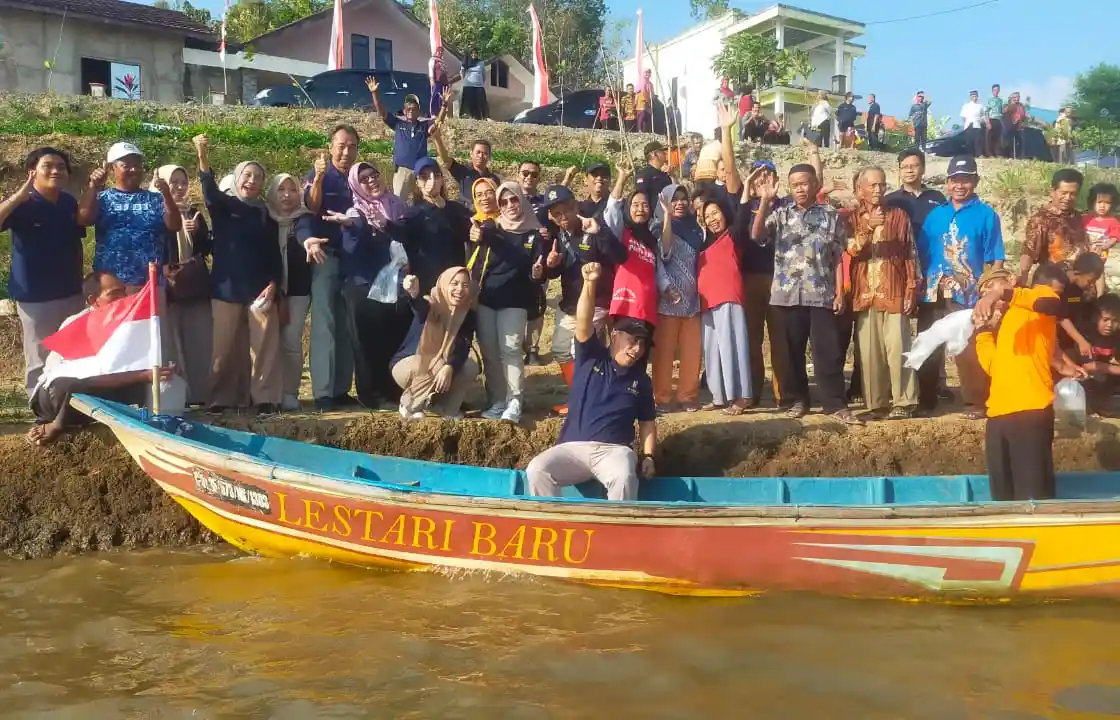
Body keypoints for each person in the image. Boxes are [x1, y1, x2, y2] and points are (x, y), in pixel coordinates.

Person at [525, 262, 656, 502]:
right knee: (537, 469)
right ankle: (554, 528)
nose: (636, 349)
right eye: (632, 340)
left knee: (624, 476)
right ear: (615, 336)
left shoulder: (642, 380)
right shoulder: (591, 356)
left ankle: (618, 533)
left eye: (642, 344)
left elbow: (647, 423)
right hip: (572, 447)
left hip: (615, 451)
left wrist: (649, 456)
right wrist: (589, 283)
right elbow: (583, 322)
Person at [752, 163, 861, 425]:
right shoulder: (780, 213)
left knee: (828, 352)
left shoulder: (830, 215)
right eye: (795, 184)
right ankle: (796, 400)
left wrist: (838, 292)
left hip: (821, 294)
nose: (800, 188)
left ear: (815, 184)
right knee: (790, 353)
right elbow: (757, 235)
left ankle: (834, 404)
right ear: (790, 187)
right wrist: (765, 202)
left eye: (805, 183)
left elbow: (837, 256)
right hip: (785, 296)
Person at [972, 262, 1087, 501]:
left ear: (1012, 281)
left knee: (1033, 496)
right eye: (984, 291)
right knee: (1003, 496)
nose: (989, 295)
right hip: (997, 416)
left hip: (1030, 410)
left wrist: (998, 293)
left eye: (993, 286)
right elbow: (994, 366)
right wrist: (982, 332)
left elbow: (1049, 302)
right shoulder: (1009, 322)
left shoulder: (1037, 300)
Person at [26, 270, 175, 446]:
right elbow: (85, 378)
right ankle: (57, 425)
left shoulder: (130, 323)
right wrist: (141, 376)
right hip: (58, 395)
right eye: (114, 294)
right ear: (92, 300)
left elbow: (140, 365)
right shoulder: (77, 324)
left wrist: (158, 371)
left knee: (164, 385)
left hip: (105, 389)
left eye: (123, 291)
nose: (122, 298)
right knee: (76, 386)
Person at [193, 135, 283, 416]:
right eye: (247, 175)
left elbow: (273, 253)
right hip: (226, 287)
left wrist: (274, 283)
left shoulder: (265, 215)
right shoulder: (224, 207)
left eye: (258, 177)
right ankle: (221, 399)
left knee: (263, 347)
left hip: (259, 289)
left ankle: (264, 398)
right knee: (224, 348)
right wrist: (202, 153)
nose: (252, 181)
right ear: (236, 178)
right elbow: (208, 190)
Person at [915, 154, 1005, 418]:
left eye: (965, 181)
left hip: (968, 294)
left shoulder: (987, 215)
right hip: (932, 290)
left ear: (975, 182)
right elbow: (920, 251)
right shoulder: (936, 214)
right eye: (955, 180)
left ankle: (976, 402)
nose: (959, 186)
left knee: (967, 349)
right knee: (930, 343)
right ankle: (927, 399)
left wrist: (992, 292)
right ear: (947, 182)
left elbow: (996, 257)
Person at [322, 162, 412, 411]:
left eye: (374, 175)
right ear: (355, 185)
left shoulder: (397, 206)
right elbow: (352, 247)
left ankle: (393, 390)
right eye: (363, 179)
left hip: (395, 284)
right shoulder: (353, 212)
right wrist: (355, 225)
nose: (371, 181)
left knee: (392, 338)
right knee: (367, 343)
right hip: (362, 287)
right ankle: (370, 393)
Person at [0, 148, 85, 396]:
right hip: (35, 295)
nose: (55, 171)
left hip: (70, 291)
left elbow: (78, 242)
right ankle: (39, 409)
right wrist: (18, 195)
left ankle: (67, 405)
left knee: (72, 351)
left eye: (61, 166)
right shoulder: (22, 202)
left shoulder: (68, 202)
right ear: (32, 171)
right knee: (39, 356)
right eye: (48, 165)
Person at [542, 185, 626, 415]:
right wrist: (552, 265)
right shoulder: (558, 234)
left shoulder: (594, 226)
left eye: (565, 211)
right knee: (560, 350)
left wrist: (600, 231)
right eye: (556, 214)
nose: (562, 218)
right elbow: (556, 273)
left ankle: (585, 401)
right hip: (570, 303)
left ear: (574, 206)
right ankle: (582, 396)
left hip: (597, 303)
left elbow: (621, 256)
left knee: (578, 349)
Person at [468, 180, 546, 423]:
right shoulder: (492, 226)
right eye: (504, 201)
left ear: (521, 200)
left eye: (514, 199)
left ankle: (515, 401)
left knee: (510, 349)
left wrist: (537, 271)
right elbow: (480, 238)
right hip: (487, 299)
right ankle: (497, 399)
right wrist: (477, 233)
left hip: (516, 300)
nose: (510, 204)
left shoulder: (535, 233)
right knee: (490, 351)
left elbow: (539, 273)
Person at [846, 166, 920, 419]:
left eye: (882, 185)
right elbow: (851, 251)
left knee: (899, 347)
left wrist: (912, 287)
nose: (878, 190)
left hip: (895, 290)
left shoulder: (898, 216)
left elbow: (910, 253)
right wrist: (867, 228)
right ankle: (875, 405)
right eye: (872, 185)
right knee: (869, 353)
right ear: (860, 189)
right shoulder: (851, 218)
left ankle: (905, 402)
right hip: (865, 293)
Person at [303, 124, 359, 411]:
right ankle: (323, 392)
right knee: (325, 323)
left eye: (351, 146)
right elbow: (311, 207)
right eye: (341, 145)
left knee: (347, 324)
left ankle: (340, 389)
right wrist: (321, 176)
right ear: (330, 147)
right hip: (326, 255)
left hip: (354, 260)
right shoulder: (318, 175)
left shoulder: (359, 177)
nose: (346, 151)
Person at [155, 164, 213, 408]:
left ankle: (201, 392)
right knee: (172, 339)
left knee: (198, 338)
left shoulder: (194, 212)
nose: (179, 187)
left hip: (193, 284)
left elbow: (206, 249)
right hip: (168, 284)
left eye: (183, 182)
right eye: (173, 182)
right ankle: (180, 395)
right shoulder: (156, 211)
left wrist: (198, 231)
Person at [393, 267, 480, 420]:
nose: (460, 289)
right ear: (445, 284)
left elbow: (463, 346)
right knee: (437, 363)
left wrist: (450, 366)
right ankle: (410, 405)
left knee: (469, 367)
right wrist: (413, 294)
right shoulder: (431, 304)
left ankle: (447, 409)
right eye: (454, 284)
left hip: (439, 365)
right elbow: (419, 307)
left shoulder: (467, 314)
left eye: (465, 285)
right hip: (408, 365)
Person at [739, 160, 789, 409]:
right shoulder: (745, 204)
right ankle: (753, 391)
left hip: (779, 277)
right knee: (751, 339)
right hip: (750, 277)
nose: (763, 178)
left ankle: (783, 395)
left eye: (768, 174)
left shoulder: (786, 205)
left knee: (780, 339)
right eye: (759, 174)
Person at [698, 193, 752, 415]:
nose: (712, 219)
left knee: (733, 347)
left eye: (715, 213)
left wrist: (746, 188)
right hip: (706, 302)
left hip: (728, 297)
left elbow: (743, 216)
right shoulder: (703, 243)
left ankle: (741, 396)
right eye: (707, 216)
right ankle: (719, 396)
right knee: (712, 351)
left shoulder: (732, 235)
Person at [651, 184, 702, 413]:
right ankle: (662, 397)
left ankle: (687, 396)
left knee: (692, 352)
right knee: (665, 353)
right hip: (668, 300)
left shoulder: (695, 229)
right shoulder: (657, 227)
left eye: (684, 199)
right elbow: (665, 252)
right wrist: (666, 217)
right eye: (675, 199)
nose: (680, 203)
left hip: (693, 302)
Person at [392, 157, 472, 296]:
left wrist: (445, 208)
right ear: (417, 182)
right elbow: (399, 233)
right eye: (424, 177)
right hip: (426, 286)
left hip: (454, 285)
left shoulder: (455, 208)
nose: (432, 181)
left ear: (442, 180)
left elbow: (469, 232)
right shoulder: (413, 213)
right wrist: (383, 224)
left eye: (436, 175)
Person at [266, 173, 311, 412]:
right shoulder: (265, 219)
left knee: (291, 341)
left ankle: (290, 391)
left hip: (297, 290)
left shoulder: (303, 219)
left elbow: (307, 234)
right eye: (281, 189)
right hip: (266, 290)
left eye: (292, 190)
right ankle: (267, 391)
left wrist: (309, 242)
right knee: (267, 342)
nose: (286, 195)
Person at [604, 166, 659, 332]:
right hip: (625, 306)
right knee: (624, 354)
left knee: (641, 356)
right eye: (635, 205)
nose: (640, 209)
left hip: (647, 307)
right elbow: (612, 211)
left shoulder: (652, 239)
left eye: (645, 205)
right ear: (628, 208)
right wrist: (622, 178)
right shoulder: (622, 231)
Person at [367, 76, 442, 199]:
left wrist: (444, 106)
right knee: (399, 202)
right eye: (408, 108)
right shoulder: (397, 123)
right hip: (402, 171)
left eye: (414, 108)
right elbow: (381, 111)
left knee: (424, 202)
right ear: (404, 111)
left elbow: (438, 122)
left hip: (421, 172)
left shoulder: (424, 126)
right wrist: (375, 93)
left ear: (419, 111)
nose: (411, 110)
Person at [1019, 168, 1088, 286]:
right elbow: (1029, 252)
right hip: (1054, 284)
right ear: (1053, 191)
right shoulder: (1040, 220)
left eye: (1073, 194)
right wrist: (1022, 279)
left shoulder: (1079, 218)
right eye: (1064, 193)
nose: (1067, 198)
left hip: (1080, 284)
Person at [432, 125, 500, 211]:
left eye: (485, 153)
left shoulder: (494, 179)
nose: (481, 156)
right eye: (478, 152)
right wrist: (437, 139)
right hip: (465, 215)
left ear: (489, 156)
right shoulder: (463, 171)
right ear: (471, 154)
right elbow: (446, 160)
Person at [885, 149, 947, 243]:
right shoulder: (890, 200)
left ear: (923, 169)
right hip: (902, 255)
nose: (909, 170)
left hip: (931, 254)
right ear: (899, 171)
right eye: (904, 167)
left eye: (914, 166)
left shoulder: (937, 198)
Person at [1079, 292, 1120, 416]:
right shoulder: (1085, 335)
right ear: (1095, 318)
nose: (1109, 325)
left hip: (1110, 385)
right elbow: (1086, 366)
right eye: (1105, 320)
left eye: (1115, 321)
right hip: (1088, 384)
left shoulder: (1117, 337)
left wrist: (1110, 368)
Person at [1085, 183, 1120, 296]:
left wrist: (1106, 245)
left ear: (1113, 204)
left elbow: (1115, 236)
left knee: (1098, 272)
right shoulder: (1086, 218)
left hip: (1100, 253)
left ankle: (1100, 295)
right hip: (1086, 250)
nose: (1102, 206)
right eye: (1099, 202)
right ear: (1092, 202)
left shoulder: (1112, 221)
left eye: (1107, 203)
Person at [459, 48, 493, 120]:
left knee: (481, 101)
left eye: (475, 53)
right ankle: (467, 116)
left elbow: (484, 74)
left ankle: (485, 117)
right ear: (470, 54)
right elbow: (462, 73)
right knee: (468, 102)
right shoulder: (466, 62)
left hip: (479, 86)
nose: (474, 54)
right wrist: (464, 81)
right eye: (472, 53)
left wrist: (481, 83)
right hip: (468, 85)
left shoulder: (481, 63)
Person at [1002, 92, 1028, 159]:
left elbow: (1024, 114)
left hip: (1020, 126)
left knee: (1020, 142)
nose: (1017, 99)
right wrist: (1011, 104)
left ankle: (1020, 156)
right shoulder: (1010, 105)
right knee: (1010, 142)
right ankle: (1009, 155)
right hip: (1012, 126)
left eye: (1018, 97)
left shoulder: (1021, 106)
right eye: (1015, 97)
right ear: (1012, 98)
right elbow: (1004, 111)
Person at [961, 90, 986, 158]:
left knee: (978, 141)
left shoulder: (980, 106)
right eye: (973, 96)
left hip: (977, 125)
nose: (975, 98)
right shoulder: (966, 106)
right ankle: (970, 155)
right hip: (969, 125)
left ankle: (979, 154)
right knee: (969, 142)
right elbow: (963, 117)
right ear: (970, 97)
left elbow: (983, 116)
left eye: (976, 96)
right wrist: (966, 124)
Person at [985, 84, 1004, 158]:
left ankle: (997, 153)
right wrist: (988, 122)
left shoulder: (1000, 100)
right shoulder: (989, 100)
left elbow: (1002, 111)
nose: (996, 91)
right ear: (992, 91)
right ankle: (989, 154)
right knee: (989, 138)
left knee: (998, 138)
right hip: (991, 119)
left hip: (998, 120)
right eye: (995, 90)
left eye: (997, 90)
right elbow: (986, 112)